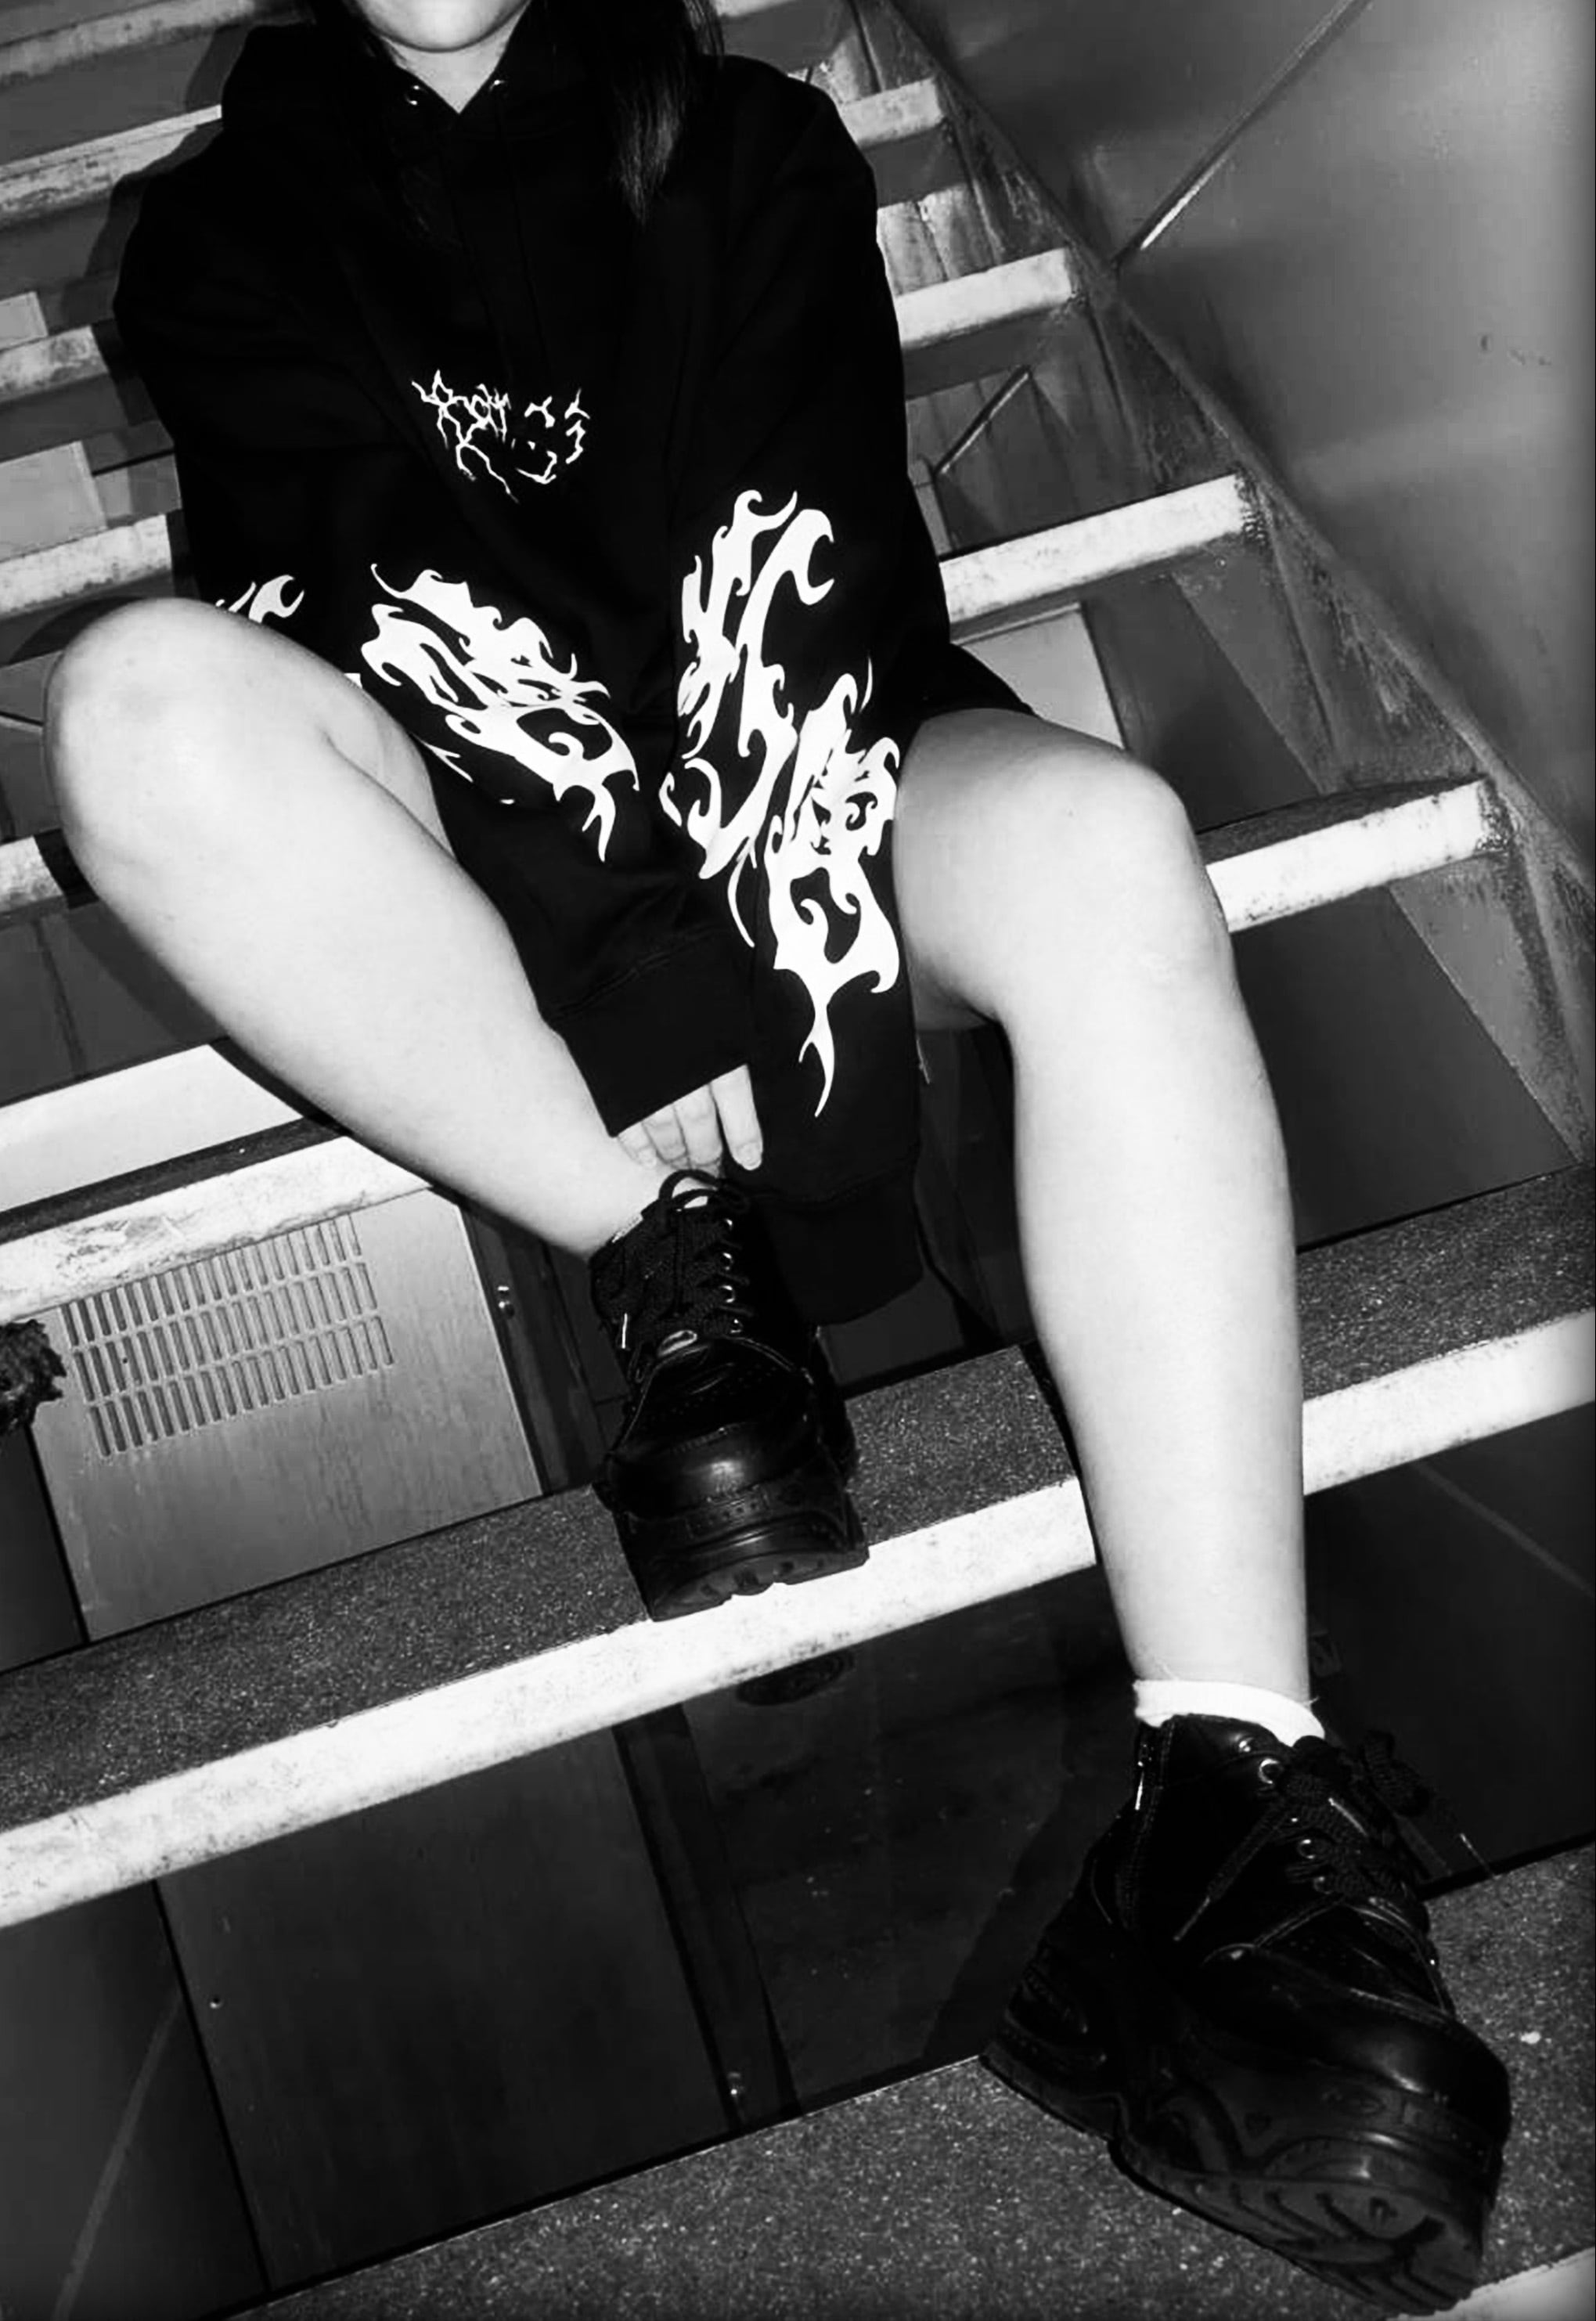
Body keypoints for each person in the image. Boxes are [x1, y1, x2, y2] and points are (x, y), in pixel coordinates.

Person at [46, 0, 1509, 2307]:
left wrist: (776, 1013)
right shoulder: (212, 234)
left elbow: (798, 555)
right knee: (137, 712)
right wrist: (651, 992)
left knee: (1111, 847)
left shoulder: (746, 142)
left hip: (823, 757)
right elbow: (348, 589)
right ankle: (670, 1261)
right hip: (491, 846)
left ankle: (1237, 1816)